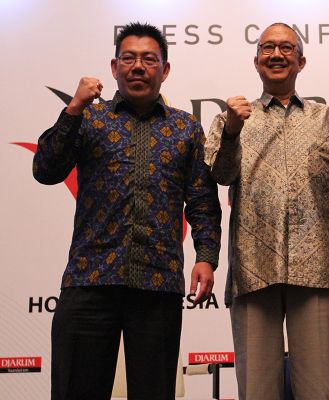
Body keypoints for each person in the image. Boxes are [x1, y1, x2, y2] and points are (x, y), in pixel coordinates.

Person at [33, 22, 221, 400]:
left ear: (164, 70)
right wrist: (73, 108)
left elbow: (202, 200)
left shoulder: (186, 128)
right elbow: (45, 170)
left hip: (157, 283)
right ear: (114, 66)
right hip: (90, 278)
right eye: (128, 58)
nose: (138, 66)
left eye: (149, 59)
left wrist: (206, 256)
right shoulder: (89, 118)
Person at [204, 22, 329, 400]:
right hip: (253, 269)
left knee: (318, 391)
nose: (276, 54)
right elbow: (221, 174)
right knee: (257, 391)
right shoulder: (231, 120)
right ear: (256, 61)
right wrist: (232, 131)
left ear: (301, 61)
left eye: (286, 48)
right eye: (267, 48)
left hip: (317, 269)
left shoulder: (327, 119)